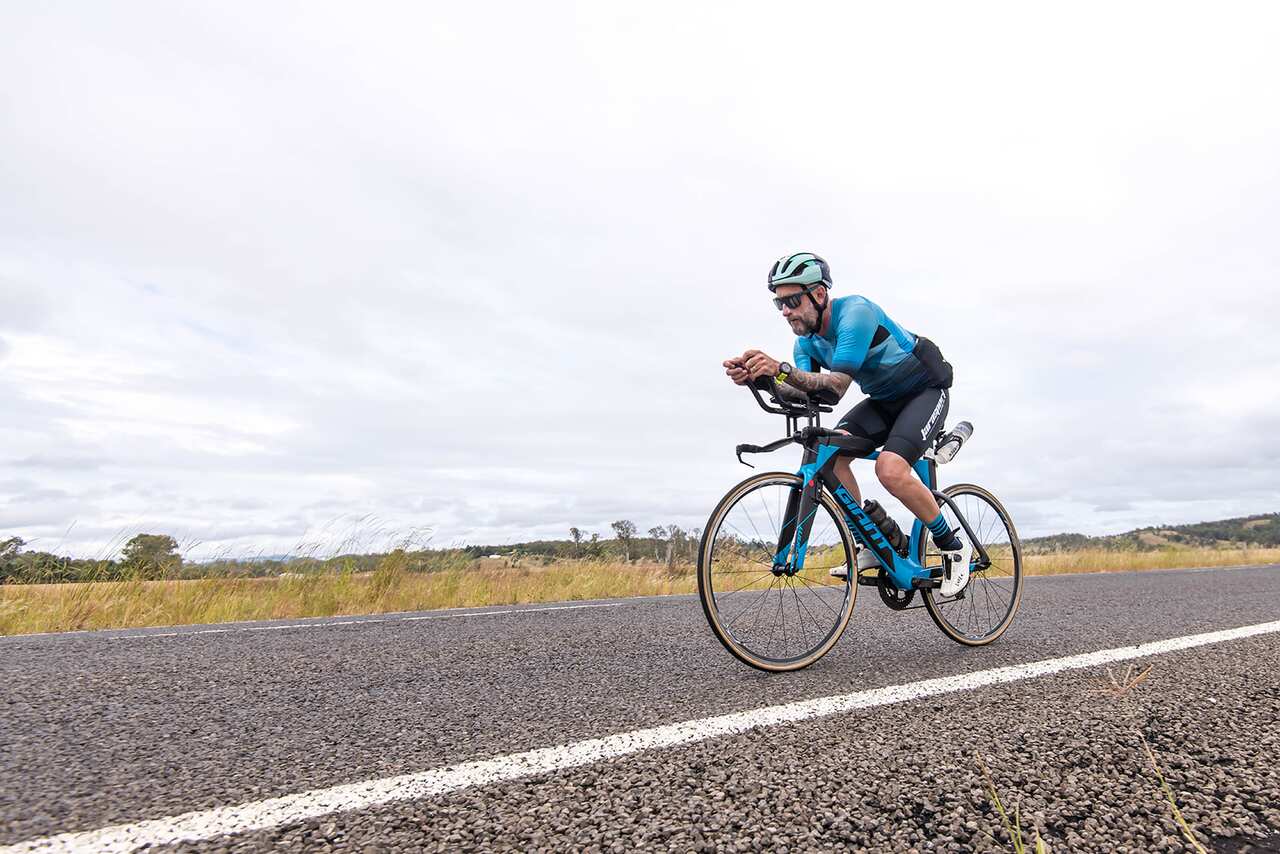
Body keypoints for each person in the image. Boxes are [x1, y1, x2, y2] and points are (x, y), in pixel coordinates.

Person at [722, 252, 970, 592]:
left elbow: (836, 387)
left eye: (792, 300)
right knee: (832, 455)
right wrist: (760, 380)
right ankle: (868, 542)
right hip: (883, 401)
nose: (785, 311)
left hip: (924, 390)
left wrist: (779, 369)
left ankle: (954, 548)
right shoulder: (805, 343)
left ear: (819, 295)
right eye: (779, 303)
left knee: (890, 469)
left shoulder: (856, 314)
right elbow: (809, 391)